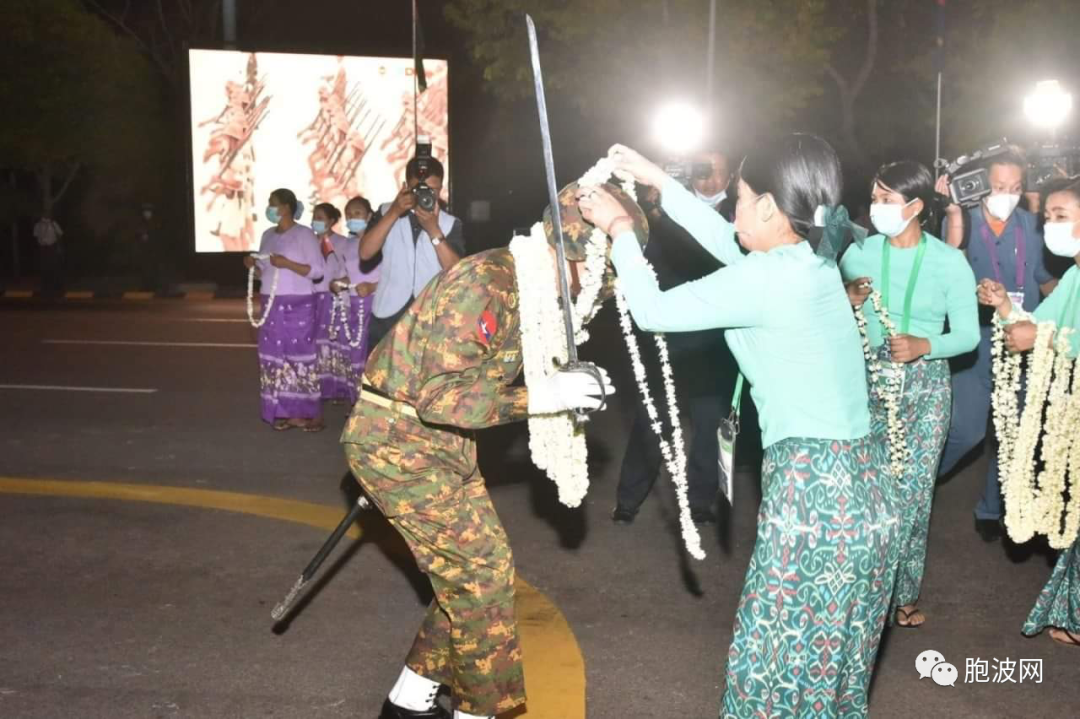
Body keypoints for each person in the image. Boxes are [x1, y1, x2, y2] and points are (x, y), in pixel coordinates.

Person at [579, 137, 900, 718]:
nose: (733, 210)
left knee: (773, 662)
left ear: (774, 209)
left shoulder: (771, 279)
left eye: (743, 199)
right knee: (824, 670)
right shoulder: (816, 256)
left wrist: (622, 230)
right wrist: (659, 179)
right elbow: (729, 242)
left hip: (815, 491)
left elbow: (653, 312)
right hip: (867, 492)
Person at [342, 183, 640, 719]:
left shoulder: (530, 290)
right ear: (572, 257)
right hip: (398, 440)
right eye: (595, 280)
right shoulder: (487, 282)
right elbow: (440, 396)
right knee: (480, 579)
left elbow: (485, 385)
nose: (594, 295)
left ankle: (408, 701)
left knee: (480, 571)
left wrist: (568, 380)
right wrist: (547, 395)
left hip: (441, 444)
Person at [840, 160, 979, 628]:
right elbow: (828, 319)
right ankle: (862, 585)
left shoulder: (947, 261)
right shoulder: (857, 254)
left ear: (916, 205)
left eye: (887, 199)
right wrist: (846, 299)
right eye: (874, 198)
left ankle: (902, 593)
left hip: (925, 391)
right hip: (865, 384)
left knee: (912, 497)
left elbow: (968, 336)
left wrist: (925, 345)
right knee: (865, 494)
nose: (877, 207)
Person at [935, 148, 1059, 542]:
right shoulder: (962, 223)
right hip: (977, 345)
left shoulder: (1034, 226)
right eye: (998, 186)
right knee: (966, 431)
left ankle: (994, 508)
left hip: (1024, 343)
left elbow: (1046, 281)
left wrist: (1066, 309)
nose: (1007, 194)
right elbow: (947, 274)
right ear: (982, 185)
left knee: (1019, 433)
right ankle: (917, 483)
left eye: (1015, 187)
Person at [978, 176, 1080, 647]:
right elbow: (1036, 327)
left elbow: (1046, 337)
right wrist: (1003, 306)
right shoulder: (1075, 277)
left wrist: (1041, 338)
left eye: (1060, 217)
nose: (1050, 228)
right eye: (1047, 219)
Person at [612, 149, 738, 526]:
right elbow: (650, 260)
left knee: (708, 425)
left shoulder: (739, 215)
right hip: (670, 332)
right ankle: (628, 499)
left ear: (730, 176)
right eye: (701, 169)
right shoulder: (666, 210)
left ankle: (701, 500)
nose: (708, 178)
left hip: (714, 339)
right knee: (653, 421)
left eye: (716, 171)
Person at [360, 154, 464, 351]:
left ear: (441, 189)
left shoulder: (450, 223)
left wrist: (434, 230)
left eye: (432, 190)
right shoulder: (386, 211)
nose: (425, 195)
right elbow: (365, 253)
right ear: (406, 185)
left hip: (430, 318)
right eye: (419, 189)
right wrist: (393, 212)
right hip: (387, 317)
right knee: (379, 380)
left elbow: (456, 272)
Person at [243, 189, 326, 431]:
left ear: (287, 207)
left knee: (299, 357)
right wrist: (251, 265)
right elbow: (265, 272)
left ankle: (310, 413)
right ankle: (286, 411)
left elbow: (317, 271)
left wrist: (288, 263)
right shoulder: (268, 235)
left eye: (273, 203)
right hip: (270, 303)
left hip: (298, 303)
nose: (269, 207)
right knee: (275, 358)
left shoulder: (304, 234)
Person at [327, 196, 380, 405]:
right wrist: (340, 282)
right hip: (354, 305)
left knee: (372, 358)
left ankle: (373, 407)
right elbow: (354, 276)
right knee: (354, 356)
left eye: (357, 213)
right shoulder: (349, 245)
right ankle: (357, 405)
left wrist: (372, 287)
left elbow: (395, 278)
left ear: (369, 215)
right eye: (348, 215)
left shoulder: (381, 242)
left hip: (377, 306)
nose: (351, 218)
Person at [312, 202, 347, 404]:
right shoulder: (308, 241)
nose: (316, 221)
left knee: (335, 343)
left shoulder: (343, 243)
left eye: (320, 217)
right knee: (317, 345)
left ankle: (338, 387)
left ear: (332, 221)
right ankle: (320, 386)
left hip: (334, 299)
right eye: (314, 216)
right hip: (313, 298)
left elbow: (346, 270)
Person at [33, 212, 64, 297]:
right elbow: (36, 237)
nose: (46, 215)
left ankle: (56, 286)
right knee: (44, 268)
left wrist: (58, 247)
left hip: (52, 247)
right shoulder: (38, 225)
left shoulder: (53, 224)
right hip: (43, 248)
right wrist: (40, 247)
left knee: (54, 267)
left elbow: (60, 234)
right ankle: (46, 287)